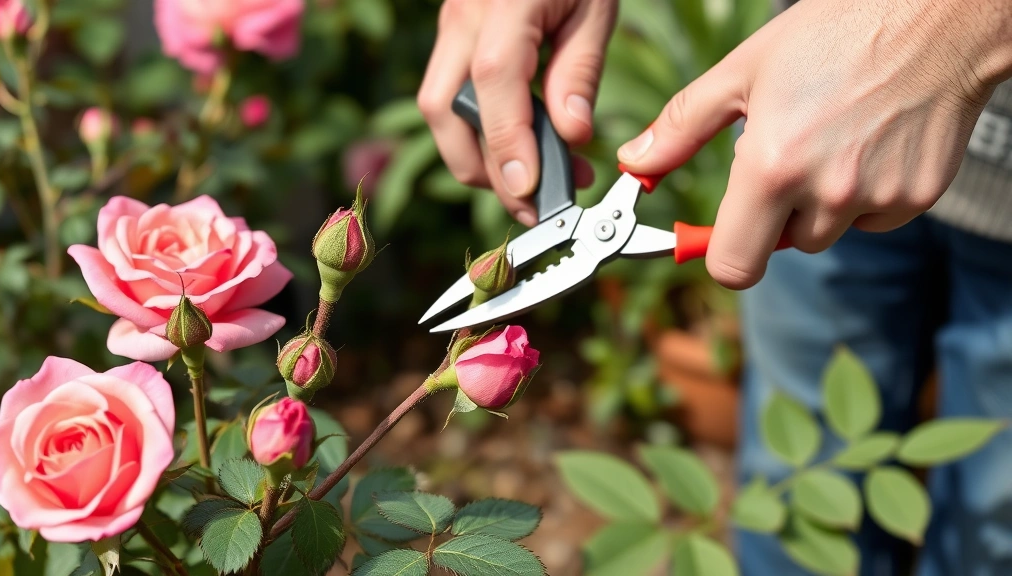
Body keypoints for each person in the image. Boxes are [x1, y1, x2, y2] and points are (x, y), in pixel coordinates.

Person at [417, 0, 1012, 574]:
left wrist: (947, 26)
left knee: (993, 524)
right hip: (810, 124)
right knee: (794, 496)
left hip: (870, 110)